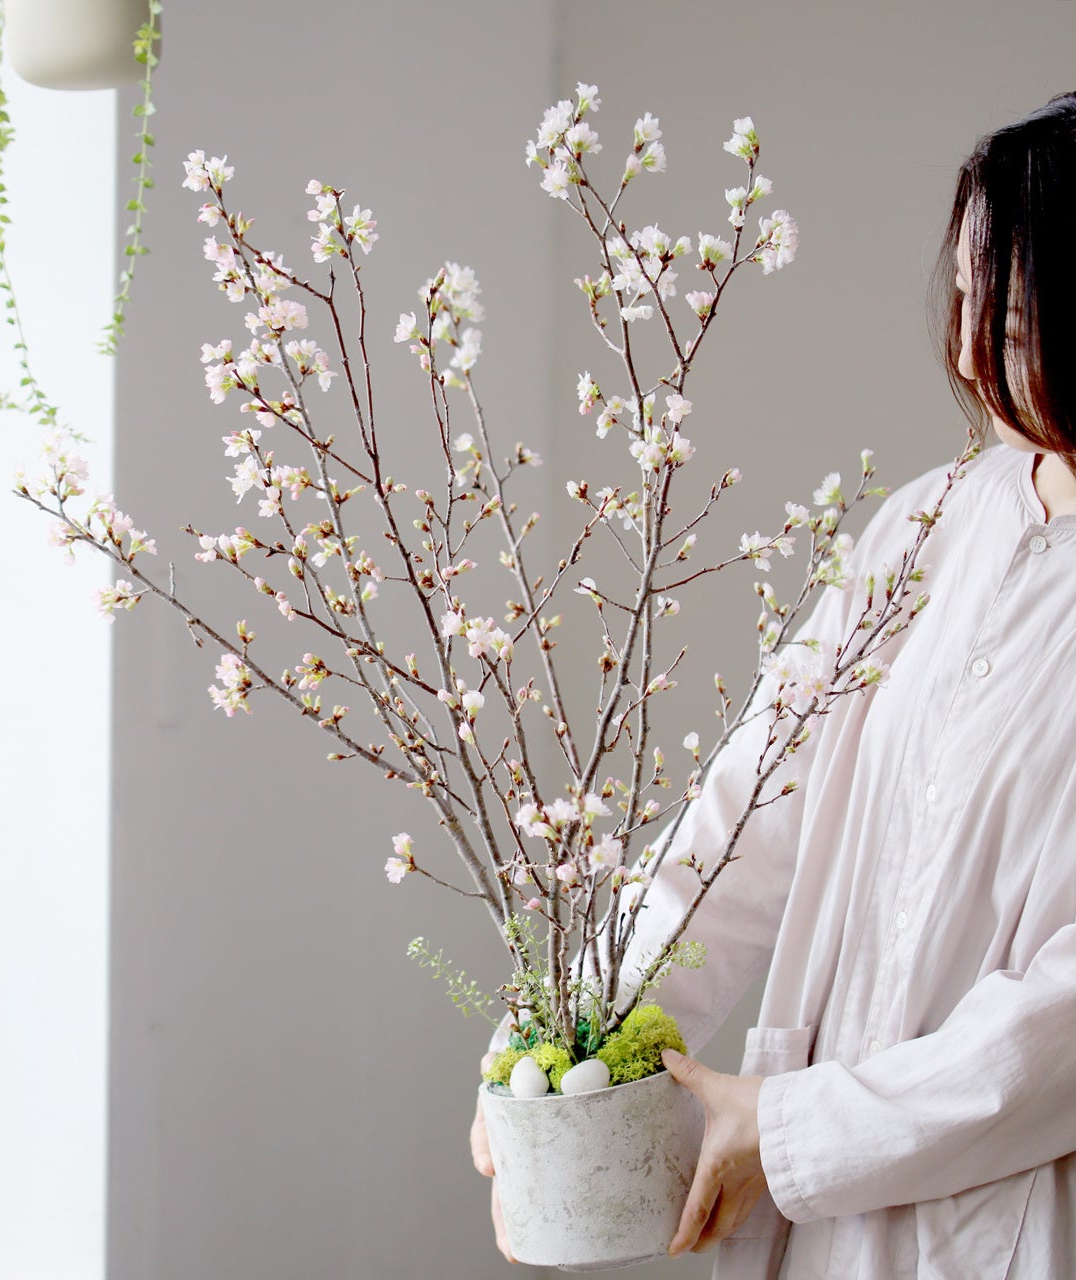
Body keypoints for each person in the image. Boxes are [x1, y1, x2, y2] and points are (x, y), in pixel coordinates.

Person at [470, 90, 1076, 1278]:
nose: (966, 359)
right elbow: (745, 815)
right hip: (823, 1215)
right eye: (964, 305)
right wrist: (569, 1040)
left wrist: (798, 1127)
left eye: (1009, 328)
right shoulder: (927, 525)